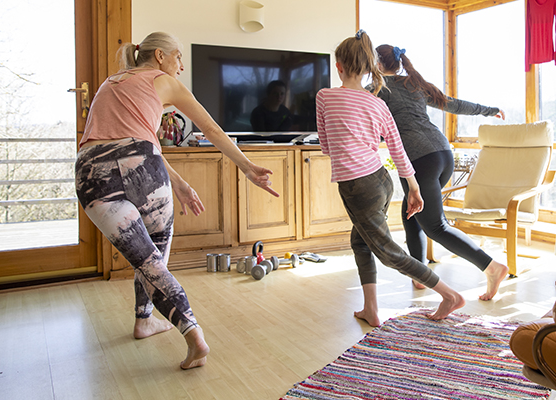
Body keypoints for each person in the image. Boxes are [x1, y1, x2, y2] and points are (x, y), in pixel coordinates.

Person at [75, 32, 279, 370]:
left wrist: (180, 182)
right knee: (155, 257)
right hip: (142, 167)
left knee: (146, 260)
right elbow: (211, 129)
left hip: (90, 171)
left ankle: (145, 321)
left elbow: (132, 140)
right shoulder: (161, 80)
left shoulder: (110, 83)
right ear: (159, 56)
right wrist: (246, 167)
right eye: (178, 57)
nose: (180, 66)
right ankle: (193, 333)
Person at [315, 30, 464, 327]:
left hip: (357, 185)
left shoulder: (325, 96)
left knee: (387, 252)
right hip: (382, 181)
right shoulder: (378, 103)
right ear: (369, 66)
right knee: (360, 242)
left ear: (339, 66)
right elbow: (397, 150)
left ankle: (448, 294)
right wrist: (413, 187)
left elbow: (325, 146)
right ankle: (371, 308)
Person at [371, 44, 509, 300]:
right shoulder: (415, 84)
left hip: (419, 160)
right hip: (443, 154)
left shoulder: (378, 90)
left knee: (435, 226)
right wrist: (488, 110)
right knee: (411, 214)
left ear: (376, 64)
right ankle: (420, 273)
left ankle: (491, 267)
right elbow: (453, 104)